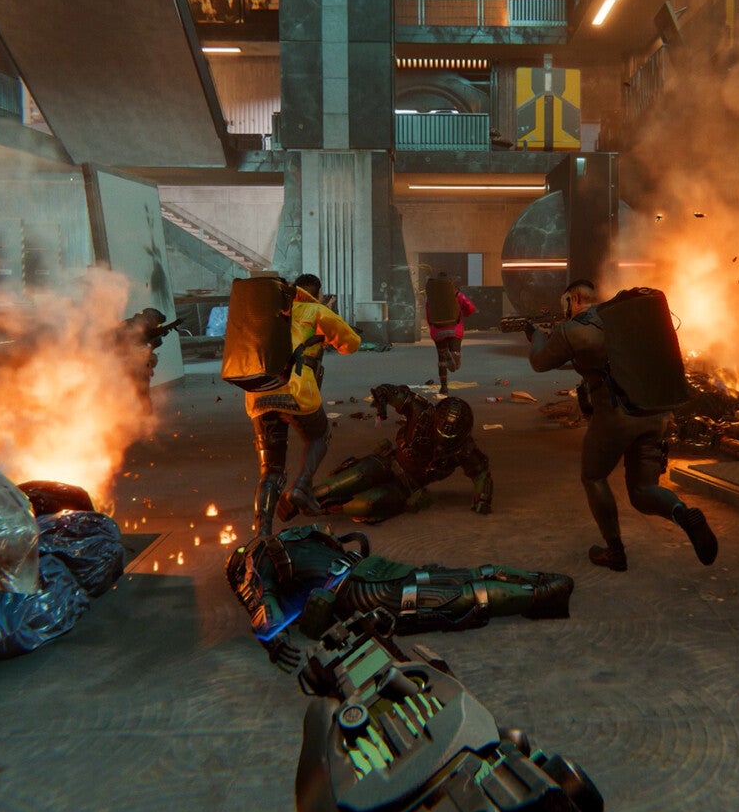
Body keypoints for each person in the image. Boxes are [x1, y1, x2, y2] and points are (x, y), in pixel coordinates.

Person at [528, 279, 718, 572]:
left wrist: (537, 335)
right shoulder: (623, 321)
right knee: (643, 491)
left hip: (615, 418)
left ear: (574, 299)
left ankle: (615, 552)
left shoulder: (575, 330)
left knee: (593, 477)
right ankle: (683, 513)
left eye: (564, 302)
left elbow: (540, 362)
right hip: (653, 414)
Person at [226, 524, 572, 669]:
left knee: (461, 596)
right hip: (372, 569)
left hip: (363, 594)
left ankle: (543, 595)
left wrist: (274, 641)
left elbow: (262, 610)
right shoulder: (294, 536)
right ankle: (541, 583)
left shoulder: (255, 561)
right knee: (460, 578)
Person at [246, 273, 361, 535]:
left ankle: (262, 533)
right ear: (316, 293)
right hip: (297, 392)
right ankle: (301, 486)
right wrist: (327, 321)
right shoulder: (312, 309)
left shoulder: (264, 313)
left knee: (270, 470)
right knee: (319, 435)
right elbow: (351, 343)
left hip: (258, 393)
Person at [310, 384, 492, 524]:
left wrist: (482, 498)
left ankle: (329, 506)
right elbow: (393, 393)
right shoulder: (421, 412)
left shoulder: (464, 448)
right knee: (349, 479)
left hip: (407, 487)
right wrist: (383, 396)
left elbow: (481, 473)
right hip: (389, 462)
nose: (443, 440)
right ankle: (310, 496)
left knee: (365, 505)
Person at [425, 272, 476, 395]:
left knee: (441, 360)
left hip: (438, 331)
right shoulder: (457, 294)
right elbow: (470, 308)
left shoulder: (431, 297)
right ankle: (453, 355)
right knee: (455, 363)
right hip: (454, 329)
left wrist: (433, 328)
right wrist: (463, 313)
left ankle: (444, 388)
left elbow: (428, 315)